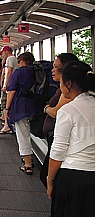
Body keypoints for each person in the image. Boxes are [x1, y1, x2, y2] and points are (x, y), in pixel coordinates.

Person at [46, 61, 95, 217]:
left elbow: (58, 152)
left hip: (73, 178)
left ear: (68, 84)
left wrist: (51, 181)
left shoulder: (68, 110)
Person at [39, 53, 79, 188]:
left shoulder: (68, 91)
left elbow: (57, 112)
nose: (52, 70)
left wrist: (46, 108)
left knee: (48, 176)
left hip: (59, 138)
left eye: (56, 67)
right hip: (54, 136)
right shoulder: (63, 89)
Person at [5, 52, 38, 175]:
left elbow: (12, 90)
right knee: (30, 131)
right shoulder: (36, 71)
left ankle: (28, 164)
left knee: (22, 133)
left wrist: (7, 108)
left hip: (21, 106)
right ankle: (31, 158)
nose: (18, 64)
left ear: (23, 61)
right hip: (36, 104)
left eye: (19, 62)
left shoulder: (19, 72)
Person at [0, 46, 18, 134]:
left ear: (6, 51)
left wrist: (5, 85)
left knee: (5, 105)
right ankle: (8, 123)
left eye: (2, 53)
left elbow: (9, 72)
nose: (1, 55)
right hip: (13, 85)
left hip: (9, 86)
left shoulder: (10, 59)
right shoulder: (14, 59)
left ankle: (7, 126)